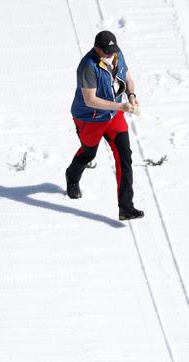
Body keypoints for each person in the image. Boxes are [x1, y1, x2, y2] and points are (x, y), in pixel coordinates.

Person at [65, 30, 144, 221]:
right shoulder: (87, 66)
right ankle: (72, 175)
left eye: (113, 51)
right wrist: (121, 106)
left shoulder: (117, 54)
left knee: (124, 156)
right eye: (106, 52)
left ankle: (126, 207)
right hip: (89, 118)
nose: (110, 55)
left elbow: (128, 77)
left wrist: (131, 95)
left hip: (114, 114)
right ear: (96, 49)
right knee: (88, 153)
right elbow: (90, 99)